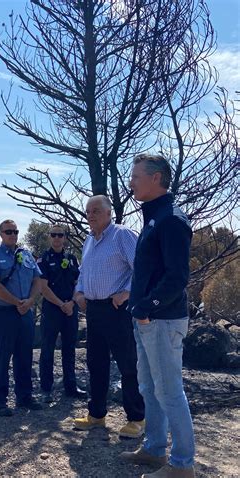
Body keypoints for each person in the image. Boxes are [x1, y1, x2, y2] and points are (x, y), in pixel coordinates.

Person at [120, 155, 195, 478]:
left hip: (162, 321)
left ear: (156, 178)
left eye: (136, 176)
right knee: (149, 387)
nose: (131, 181)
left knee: (169, 390)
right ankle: (153, 449)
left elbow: (177, 277)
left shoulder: (171, 220)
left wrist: (147, 306)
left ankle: (181, 465)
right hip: (147, 320)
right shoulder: (154, 219)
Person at [73, 195, 145, 438]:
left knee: (127, 365)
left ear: (108, 213)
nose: (90, 215)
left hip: (117, 310)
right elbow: (84, 273)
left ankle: (137, 418)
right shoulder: (88, 241)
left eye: (95, 210)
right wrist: (79, 292)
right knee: (96, 364)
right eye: (87, 212)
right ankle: (97, 415)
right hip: (94, 311)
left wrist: (127, 293)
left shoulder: (122, 235)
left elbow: (143, 268)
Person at [0, 219, 43, 416]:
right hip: (3, 313)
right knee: (1, 356)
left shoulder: (26, 255)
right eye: (8, 231)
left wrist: (31, 300)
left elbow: (37, 279)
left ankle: (24, 396)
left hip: (25, 312)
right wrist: (18, 302)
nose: (12, 235)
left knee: (25, 356)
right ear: (1, 234)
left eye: (15, 231)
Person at [38, 224, 85, 402]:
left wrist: (72, 303)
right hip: (52, 309)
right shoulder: (44, 259)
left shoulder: (72, 258)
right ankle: (46, 389)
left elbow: (78, 283)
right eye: (54, 235)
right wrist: (61, 304)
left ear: (64, 237)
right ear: (49, 237)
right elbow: (43, 287)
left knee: (69, 349)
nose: (57, 238)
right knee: (47, 349)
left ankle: (71, 386)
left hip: (70, 309)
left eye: (60, 235)